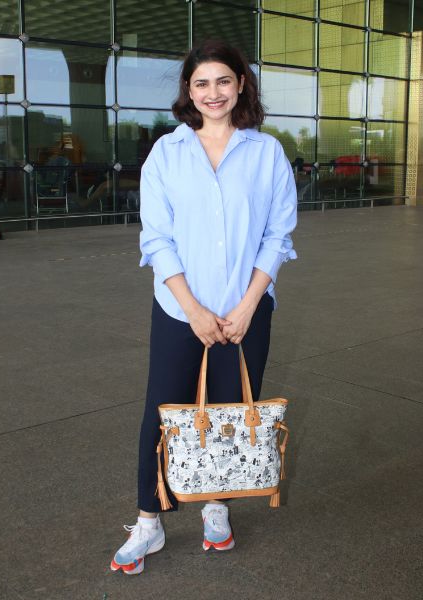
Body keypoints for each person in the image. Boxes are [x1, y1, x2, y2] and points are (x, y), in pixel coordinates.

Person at [110, 39, 298, 575]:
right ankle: (149, 521)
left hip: (246, 312)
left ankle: (217, 506)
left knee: (229, 411)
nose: (212, 93)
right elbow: (157, 240)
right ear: (188, 92)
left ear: (241, 85)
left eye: (222, 81)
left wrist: (248, 305)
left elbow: (277, 236)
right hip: (179, 311)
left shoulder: (266, 154)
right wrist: (193, 309)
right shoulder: (167, 154)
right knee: (162, 411)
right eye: (201, 83)